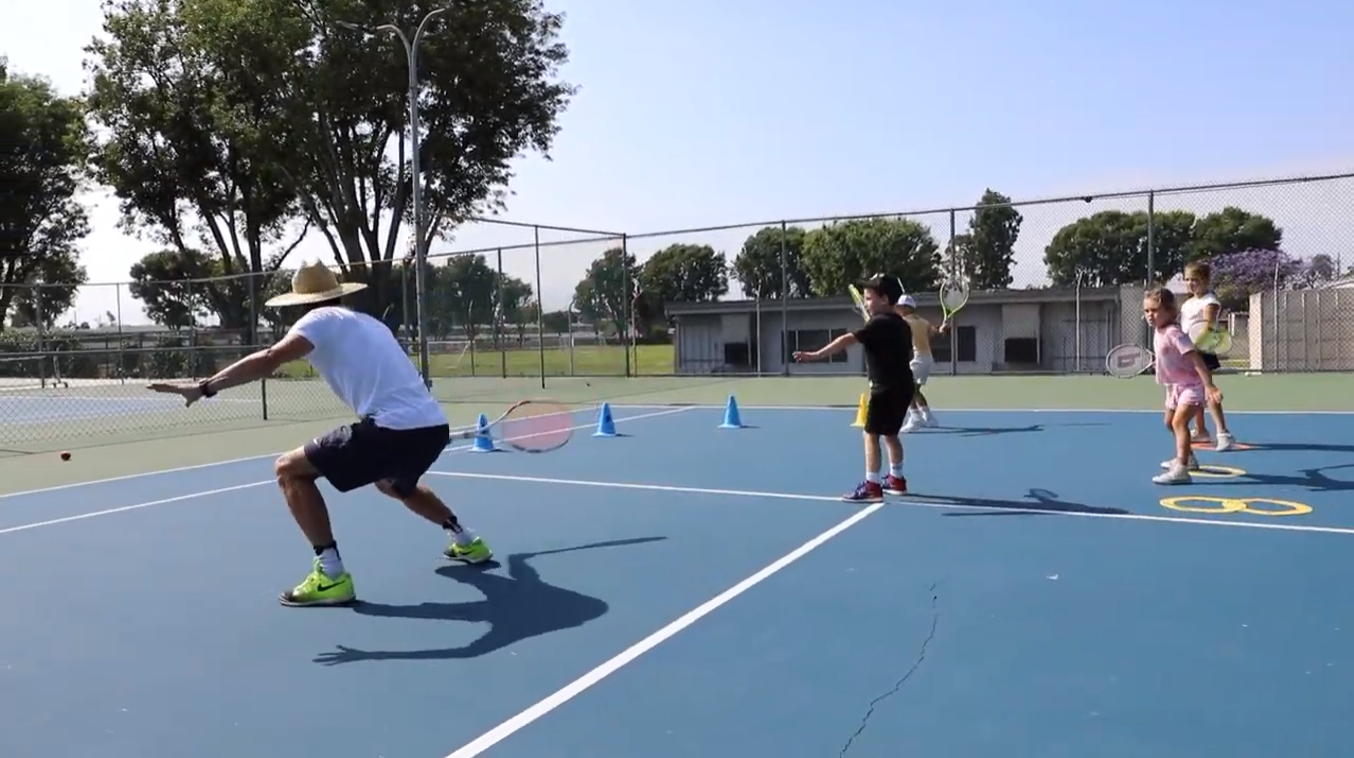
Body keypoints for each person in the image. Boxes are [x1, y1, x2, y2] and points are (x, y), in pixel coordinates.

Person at [147, 261, 493, 607]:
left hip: (392, 427)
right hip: (432, 426)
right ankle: (467, 540)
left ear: (300, 303)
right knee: (392, 483)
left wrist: (205, 387)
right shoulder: (369, 323)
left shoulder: (317, 320)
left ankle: (330, 575)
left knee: (288, 469)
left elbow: (270, 359)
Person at [794, 276, 914, 502]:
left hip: (885, 389)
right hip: (904, 386)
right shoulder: (902, 325)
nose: (866, 303)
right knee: (890, 434)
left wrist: (814, 355)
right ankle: (897, 480)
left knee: (870, 434)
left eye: (869, 298)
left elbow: (847, 339)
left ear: (885, 299)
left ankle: (872, 486)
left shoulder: (878, 324)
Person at [1144, 286, 1222, 485]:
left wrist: (1209, 386)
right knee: (1169, 422)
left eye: (1155, 310)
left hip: (1192, 386)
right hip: (1174, 387)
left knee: (1179, 423)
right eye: (1146, 311)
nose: (1150, 315)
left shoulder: (1174, 333)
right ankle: (1190, 458)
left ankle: (1181, 469)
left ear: (1171, 312)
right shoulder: (1159, 332)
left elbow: (1196, 360)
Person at [1179, 261, 1236, 452]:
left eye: (1195, 279)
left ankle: (1223, 434)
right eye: (1187, 279)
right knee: (1194, 391)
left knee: (1208, 390)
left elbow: (1208, 328)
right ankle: (1201, 430)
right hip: (1189, 350)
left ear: (1205, 280)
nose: (1190, 283)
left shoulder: (1209, 302)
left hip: (1202, 350)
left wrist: (1193, 347)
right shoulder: (1188, 303)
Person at [894, 294, 950, 432]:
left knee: (904, 388)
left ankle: (915, 418)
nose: (898, 309)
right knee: (915, 390)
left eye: (900, 307)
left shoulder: (903, 322)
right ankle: (929, 417)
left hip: (918, 358)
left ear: (907, 308)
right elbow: (936, 333)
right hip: (927, 358)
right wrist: (942, 329)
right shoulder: (923, 321)